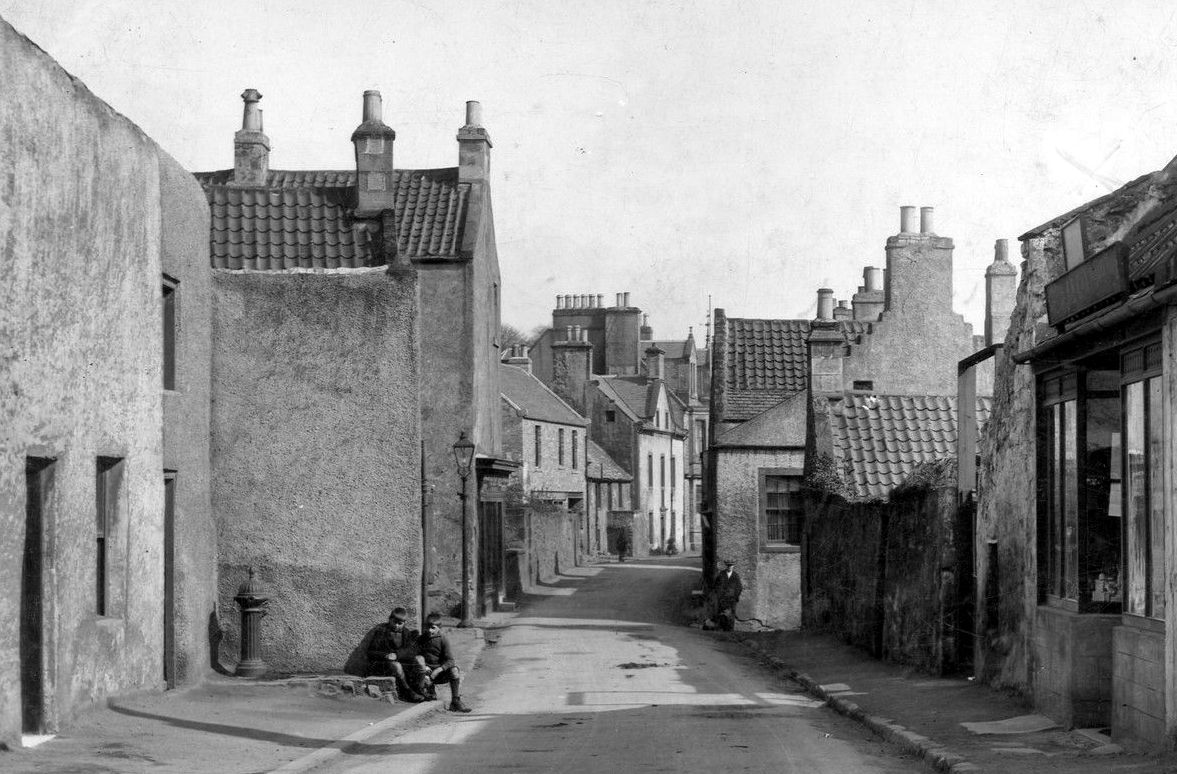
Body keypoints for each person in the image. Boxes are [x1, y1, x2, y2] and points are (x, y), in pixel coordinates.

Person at [366, 607, 425, 702]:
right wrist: (386, 655)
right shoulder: (382, 631)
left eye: (400, 624)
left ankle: (420, 688)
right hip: (383, 665)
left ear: (405, 623)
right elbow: (371, 652)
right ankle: (407, 691)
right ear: (390, 620)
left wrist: (397, 655)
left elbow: (412, 650)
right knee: (396, 665)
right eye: (394, 622)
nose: (396, 626)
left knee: (420, 659)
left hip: (402, 662)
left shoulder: (406, 633)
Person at [416, 612, 472, 713]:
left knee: (454, 670)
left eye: (433, 628)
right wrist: (424, 667)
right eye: (427, 627)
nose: (429, 630)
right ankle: (429, 691)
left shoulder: (443, 639)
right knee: (428, 695)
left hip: (439, 673)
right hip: (426, 673)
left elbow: (450, 661)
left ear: (439, 628)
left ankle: (455, 701)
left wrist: (438, 670)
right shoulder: (421, 639)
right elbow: (415, 656)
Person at [713, 559, 743, 632]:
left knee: (731, 615)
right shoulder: (721, 574)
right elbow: (716, 586)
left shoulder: (735, 576)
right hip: (722, 599)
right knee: (722, 613)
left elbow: (739, 587)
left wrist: (735, 597)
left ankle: (730, 630)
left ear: (733, 566)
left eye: (731, 565)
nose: (730, 567)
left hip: (732, 599)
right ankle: (722, 629)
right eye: (728, 565)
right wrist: (719, 596)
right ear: (726, 566)